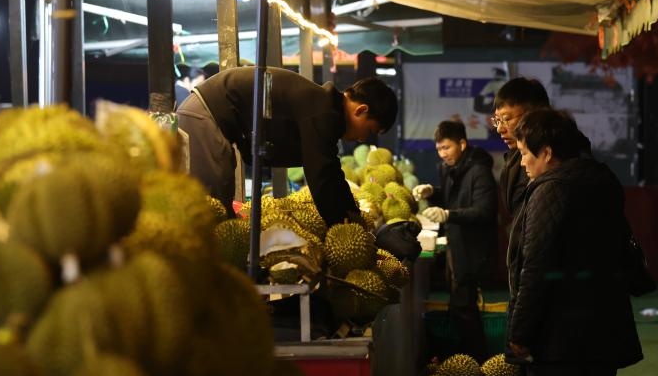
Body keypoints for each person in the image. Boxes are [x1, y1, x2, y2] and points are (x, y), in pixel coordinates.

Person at [505, 109, 642, 376]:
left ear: (547, 152)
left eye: (526, 153)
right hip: (603, 330)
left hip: (558, 337)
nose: (522, 162)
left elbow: (537, 267)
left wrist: (520, 331)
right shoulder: (602, 181)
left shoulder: (551, 189)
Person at [177, 67, 398, 226]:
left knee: (220, 209)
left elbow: (330, 170)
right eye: (369, 131)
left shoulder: (324, 107)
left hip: (210, 116)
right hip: (205, 114)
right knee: (210, 210)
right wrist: (344, 224)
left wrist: (352, 214)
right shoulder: (322, 109)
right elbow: (321, 175)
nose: (362, 139)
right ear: (361, 110)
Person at [414, 120, 498, 359]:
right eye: (439, 149)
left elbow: (485, 211)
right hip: (455, 245)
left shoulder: (479, 171)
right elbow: (451, 197)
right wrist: (433, 193)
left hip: (474, 249)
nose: (443, 154)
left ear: (462, 143)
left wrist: (449, 214)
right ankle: (468, 360)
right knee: (459, 307)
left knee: (464, 307)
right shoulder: (448, 168)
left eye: (447, 148)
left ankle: (478, 362)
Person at [491, 78, 550, 223]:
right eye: (497, 120)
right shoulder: (514, 158)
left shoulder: (557, 160)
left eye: (506, 119)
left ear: (535, 114)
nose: (500, 128)